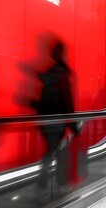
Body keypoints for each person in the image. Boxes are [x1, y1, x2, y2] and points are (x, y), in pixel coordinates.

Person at [29, 35, 79, 198]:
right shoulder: (63, 74)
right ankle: (53, 185)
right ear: (62, 53)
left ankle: (47, 186)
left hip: (45, 120)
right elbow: (67, 100)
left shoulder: (48, 74)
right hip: (57, 121)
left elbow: (42, 98)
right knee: (57, 153)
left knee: (52, 152)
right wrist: (73, 125)